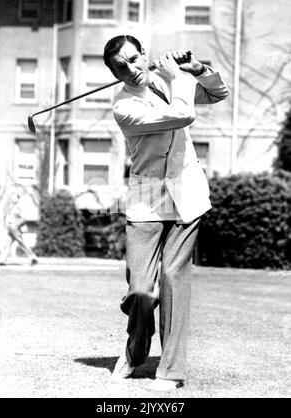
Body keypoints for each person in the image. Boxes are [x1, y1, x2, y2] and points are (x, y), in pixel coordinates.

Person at [103, 35, 229, 391]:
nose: (131, 69)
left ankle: (170, 371)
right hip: (147, 197)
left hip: (187, 193)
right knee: (141, 290)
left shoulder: (164, 79)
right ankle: (135, 350)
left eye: (134, 58)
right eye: (120, 67)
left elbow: (218, 94)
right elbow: (183, 113)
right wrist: (177, 78)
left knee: (174, 280)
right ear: (114, 72)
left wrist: (195, 69)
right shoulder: (123, 106)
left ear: (144, 54)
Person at [0, 192, 38, 266]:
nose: (12, 198)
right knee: (7, 243)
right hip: (10, 227)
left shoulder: (19, 207)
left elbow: (24, 218)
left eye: (14, 197)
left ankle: (33, 257)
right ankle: (2, 260)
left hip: (14, 227)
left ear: (18, 199)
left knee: (21, 242)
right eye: (12, 197)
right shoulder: (11, 206)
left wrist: (16, 226)